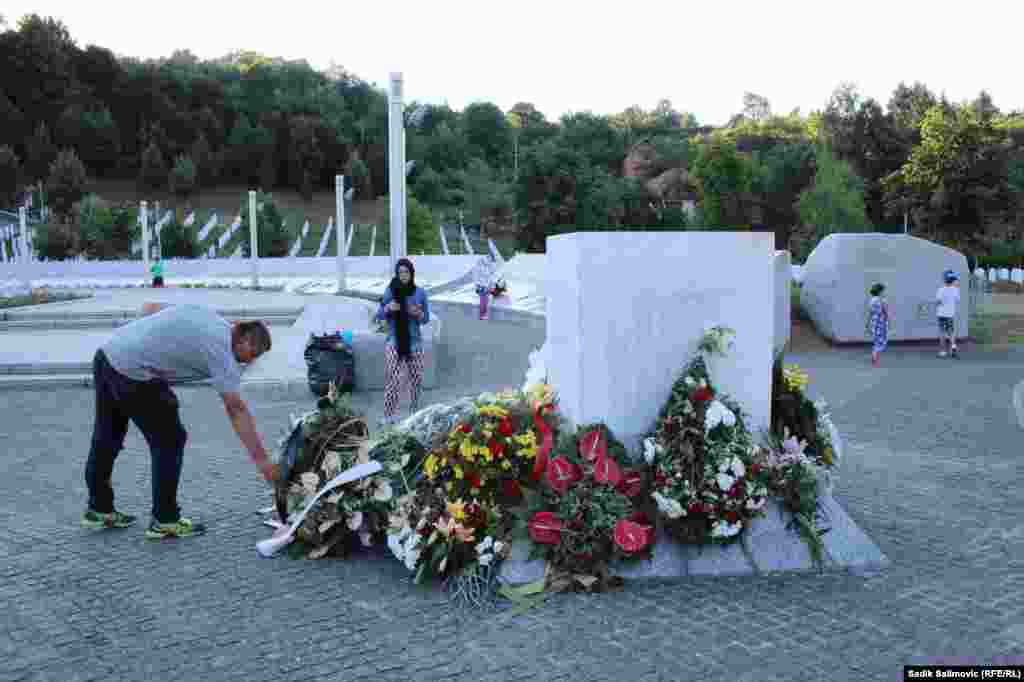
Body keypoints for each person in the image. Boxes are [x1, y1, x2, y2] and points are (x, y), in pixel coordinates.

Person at [82, 303, 276, 539]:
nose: (249, 361)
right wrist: (263, 462)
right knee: (170, 440)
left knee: (107, 435)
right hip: (133, 372)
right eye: (253, 354)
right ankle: (165, 519)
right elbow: (236, 409)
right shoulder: (221, 350)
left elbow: (152, 309)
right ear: (243, 340)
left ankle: (99, 509)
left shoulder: (211, 318)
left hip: (108, 354)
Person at [375, 258, 430, 426]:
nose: (403, 275)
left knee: (416, 378)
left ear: (412, 273)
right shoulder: (390, 291)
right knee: (393, 379)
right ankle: (388, 415)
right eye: (400, 272)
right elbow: (379, 315)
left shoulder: (420, 293)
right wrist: (388, 308)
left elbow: (425, 319)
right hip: (394, 340)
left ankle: (413, 410)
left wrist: (418, 313)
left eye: (406, 272)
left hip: (415, 341)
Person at [936, 270, 961, 358]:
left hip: (941, 314)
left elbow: (938, 301)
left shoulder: (941, 289)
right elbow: (957, 300)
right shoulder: (956, 290)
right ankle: (953, 346)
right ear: (952, 280)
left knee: (942, 332)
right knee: (951, 332)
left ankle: (943, 351)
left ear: (944, 279)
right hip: (950, 314)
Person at [867, 283, 890, 367]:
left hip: (874, 322)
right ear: (880, 291)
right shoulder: (882, 300)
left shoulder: (871, 300)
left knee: (877, 340)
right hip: (881, 322)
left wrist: (868, 323)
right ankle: (875, 356)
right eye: (883, 291)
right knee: (882, 341)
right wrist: (888, 320)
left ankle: (875, 356)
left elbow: (870, 313)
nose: (884, 292)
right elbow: (885, 311)